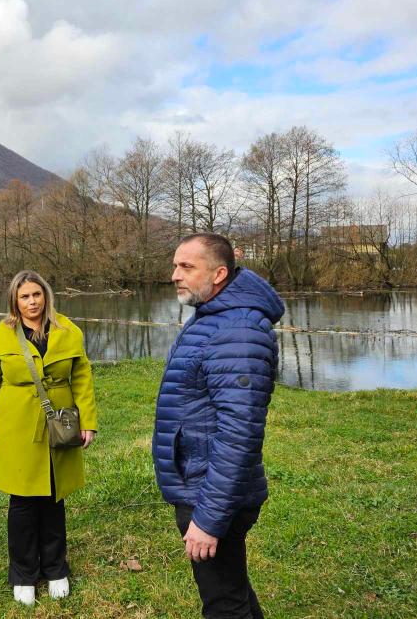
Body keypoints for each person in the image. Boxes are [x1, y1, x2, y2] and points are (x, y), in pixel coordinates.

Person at [153, 233, 284, 619]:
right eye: (176, 265)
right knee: (231, 590)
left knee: (223, 604)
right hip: (199, 480)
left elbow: (239, 434)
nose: (175, 275)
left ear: (220, 273)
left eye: (187, 267)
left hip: (210, 491)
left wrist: (209, 520)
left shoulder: (237, 331)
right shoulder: (214, 317)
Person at [0, 270, 98, 606]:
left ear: (46, 296)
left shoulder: (67, 329)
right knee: (23, 503)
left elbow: (82, 375)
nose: (32, 302)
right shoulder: (2, 334)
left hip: (59, 422)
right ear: (14, 300)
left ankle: (56, 568)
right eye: (25, 296)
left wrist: (88, 420)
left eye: (37, 295)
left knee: (54, 500)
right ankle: (23, 574)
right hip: (16, 426)